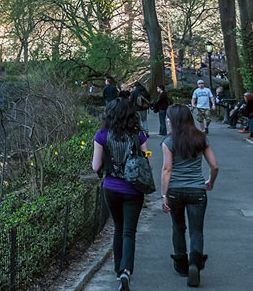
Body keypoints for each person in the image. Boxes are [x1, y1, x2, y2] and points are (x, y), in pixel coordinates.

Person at [92, 98, 150, 291]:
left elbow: (95, 166)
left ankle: (118, 270)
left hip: (111, 188)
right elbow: (147, 162)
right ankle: (126, 271)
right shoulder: (138, 135)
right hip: (133, 189)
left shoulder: (101, 135)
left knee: (118, 228)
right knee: (129, 232)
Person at [161, 104, 219, 287]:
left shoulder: (168, 142)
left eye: (169, 118)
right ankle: (195, 262)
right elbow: (215, 166)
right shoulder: (201, 138)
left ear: (175, 121)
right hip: (197, 190)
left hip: (175, 190)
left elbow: (167, 169)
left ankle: (181, 264)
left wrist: (164, 195)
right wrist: (210, 181)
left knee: (178, 228)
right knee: (196, 230)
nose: (167, 121)